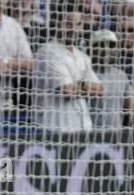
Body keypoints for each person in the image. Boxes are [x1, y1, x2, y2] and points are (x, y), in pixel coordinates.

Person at [35, 1, 102, 133]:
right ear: (57, 24)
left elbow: (100, 91)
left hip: (83, 128)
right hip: (55, 130)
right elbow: (67, 90)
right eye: (68, 24)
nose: (73, 29)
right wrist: (86, 86)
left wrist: (79, 86)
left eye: (77, 25)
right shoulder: (47, 52)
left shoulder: (82, 55)